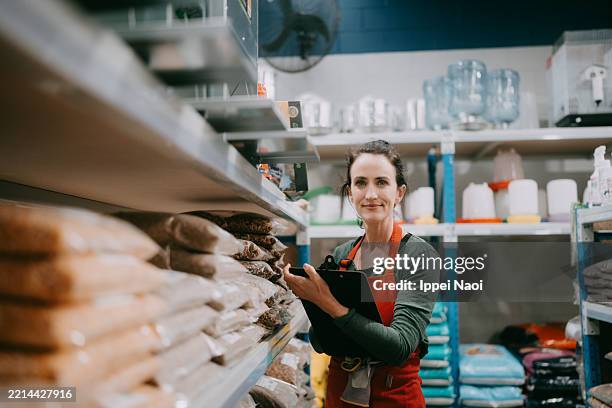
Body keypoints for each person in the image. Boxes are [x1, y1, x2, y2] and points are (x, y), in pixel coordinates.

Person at [284, 140, 440, 407]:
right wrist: (311, 302)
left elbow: (399, 347)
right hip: (341, 396)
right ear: (350, 193)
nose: (370, 194)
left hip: (393, 398)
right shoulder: (343, 254)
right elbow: (321, 343)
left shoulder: (417, 255)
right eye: (360, 183)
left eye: (381, 182)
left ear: (399, 192)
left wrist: (328, 305)